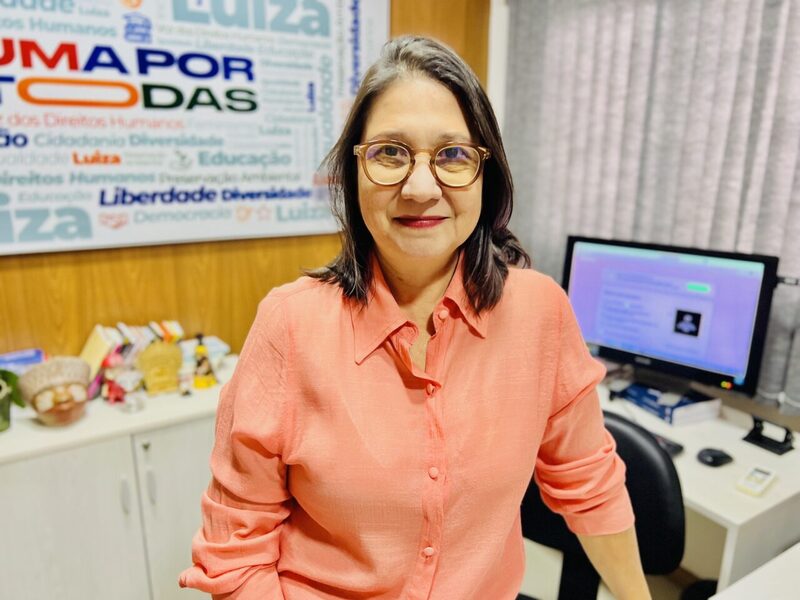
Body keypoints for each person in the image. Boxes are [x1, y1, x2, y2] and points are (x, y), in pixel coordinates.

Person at [180, 36, 651, 600]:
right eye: (390, 152)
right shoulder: (289, 325)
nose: (421, 188)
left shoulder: (540, 312)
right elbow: (237, 555)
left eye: (452, 154)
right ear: (355, 172)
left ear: (486, 173)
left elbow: (589, 484)